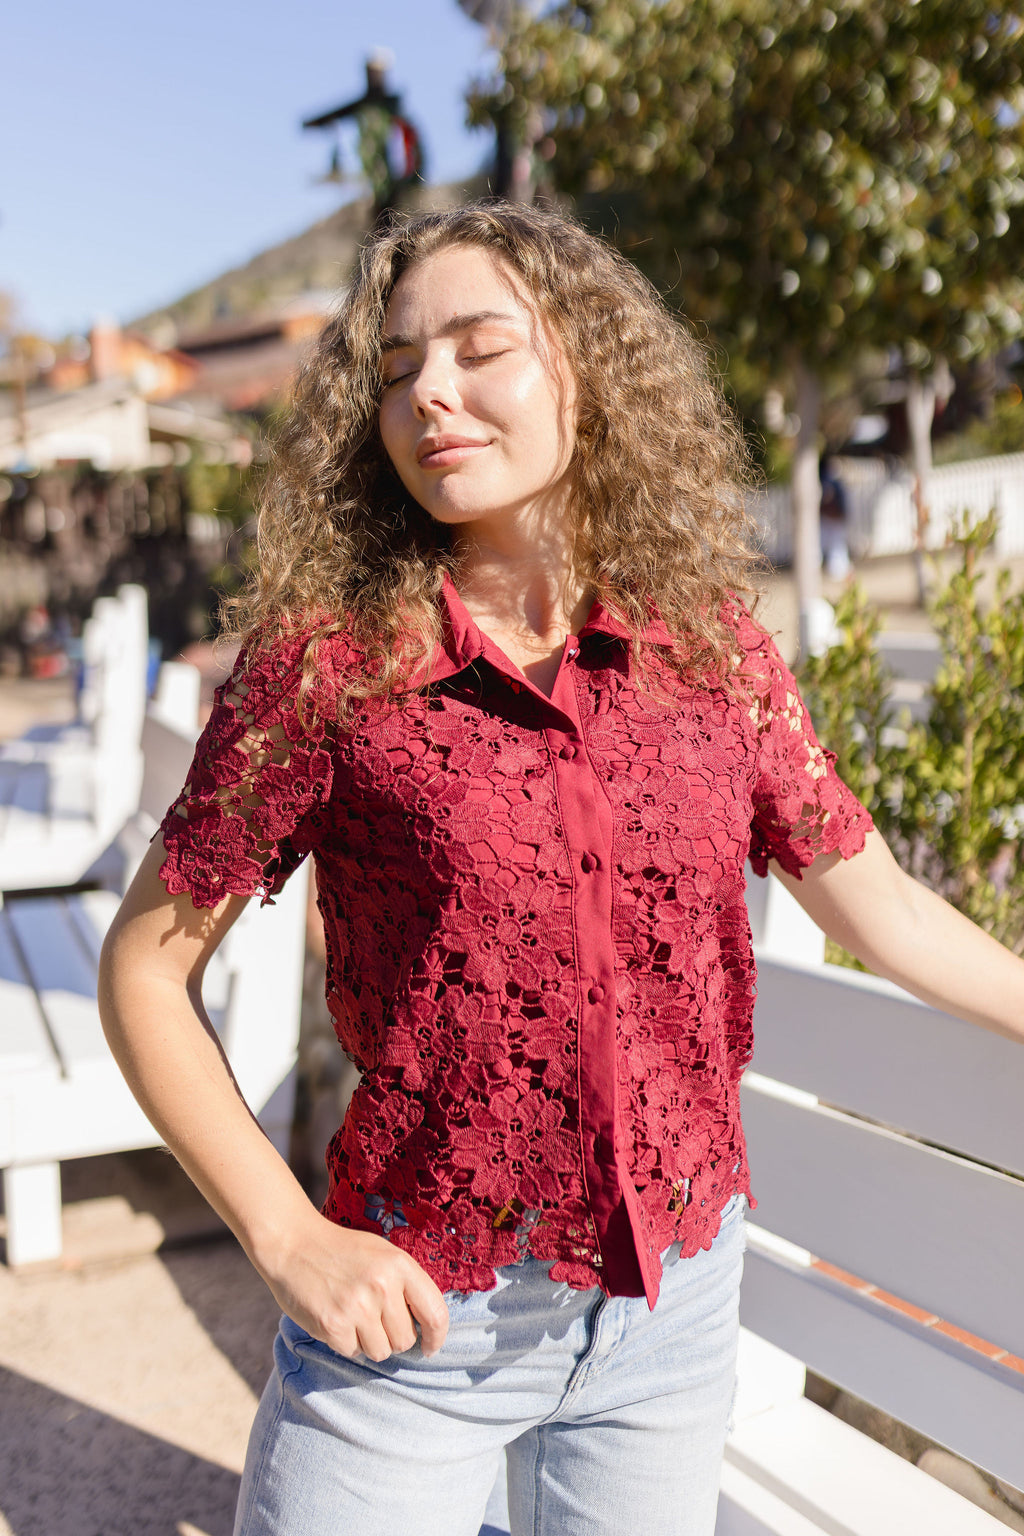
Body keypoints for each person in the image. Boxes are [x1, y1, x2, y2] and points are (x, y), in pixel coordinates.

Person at [98, 203, 1024, 1536]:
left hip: (671, 1323)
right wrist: (288, 1237)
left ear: (588, 366)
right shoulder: (332, 668)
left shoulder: (715, 654)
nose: (430, 393)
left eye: (480, 347)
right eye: (400, 363)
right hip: (414, 1335)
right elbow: (147, 966)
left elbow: (878, 904)